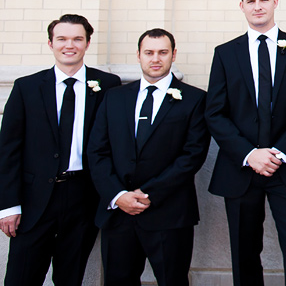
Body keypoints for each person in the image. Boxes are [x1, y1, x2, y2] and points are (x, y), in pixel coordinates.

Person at [206, 0, 286, 286]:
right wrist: (249, 154)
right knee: (244, 254)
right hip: (241, 169)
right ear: (241, 6)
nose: (258, 6)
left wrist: (279, 153)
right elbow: (215, 113)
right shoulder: (225, 53)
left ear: (275, 2)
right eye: (251, 1)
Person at [0, 14, 122, 286]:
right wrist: (8, 205)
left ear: (87, 43)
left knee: (71, 277)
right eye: (62, 39)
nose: (70, 45)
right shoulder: (26, 87)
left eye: (77, 38)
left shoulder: (108, 85)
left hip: (83, 196)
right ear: (50, 43)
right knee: (20, 277)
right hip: (34, 200)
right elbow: (8, 149)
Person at [88, 28, 209, 286]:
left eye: (163, 52)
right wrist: (119, 196)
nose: (156, 58)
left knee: (172, 280)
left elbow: (192, 155)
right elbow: (97, 152)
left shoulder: (195, 99)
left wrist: (148, 194)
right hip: (119, 212)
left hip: (169, 212)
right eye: (149, 52)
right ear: (139, 55)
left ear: (173, 55)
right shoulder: (114, 97)